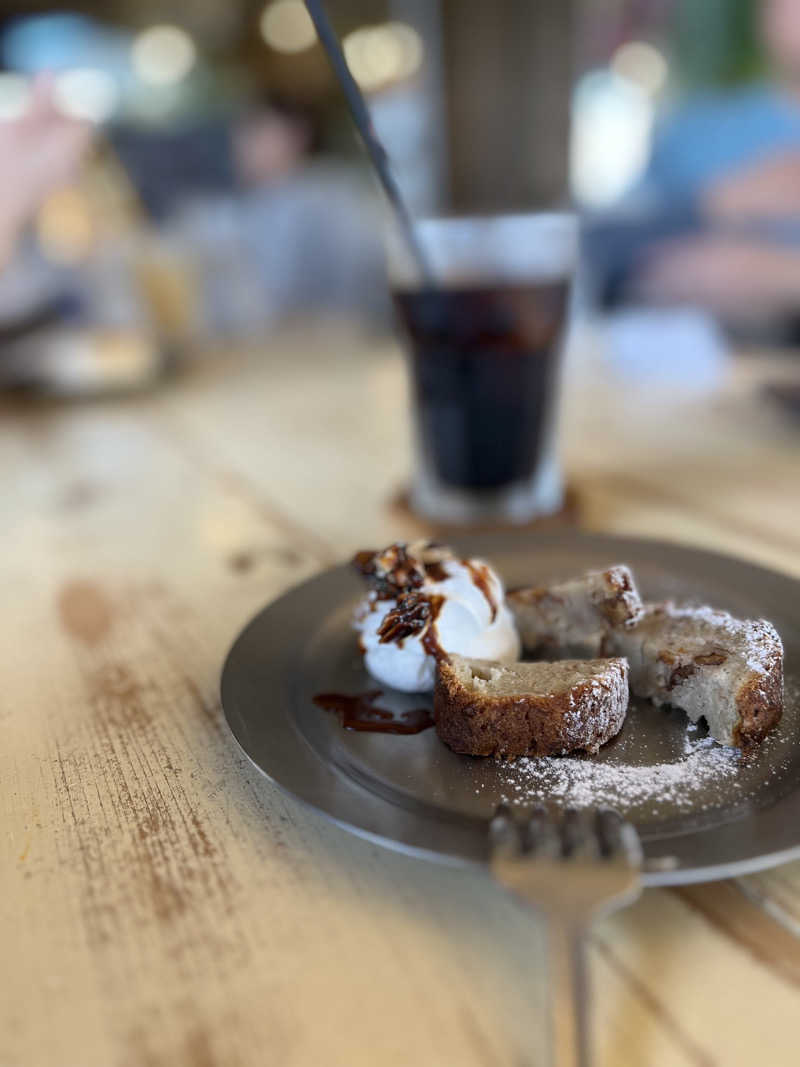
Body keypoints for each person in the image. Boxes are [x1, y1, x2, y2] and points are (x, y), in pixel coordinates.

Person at [589, 0, 800, 336]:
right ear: (766, 12)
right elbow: (599, 249)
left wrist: (782, 277)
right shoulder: (700, 130)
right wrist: (718, 203)